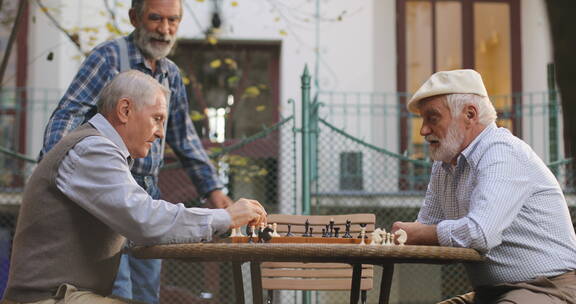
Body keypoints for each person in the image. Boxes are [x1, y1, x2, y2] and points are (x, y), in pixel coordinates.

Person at [2, 70, 267, 304]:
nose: (161, 132)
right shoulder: (93, 150)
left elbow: (143, 221)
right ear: (125, 110)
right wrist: (226, 217)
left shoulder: (99, 149)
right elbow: (145, 218)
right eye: (157, 118)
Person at [39, 0, 232, 303]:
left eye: (173, 21)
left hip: (147, 194)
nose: (165, 30)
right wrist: (52, 170)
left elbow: (185, 139)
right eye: (156, 19)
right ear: (134, 18)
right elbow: (68, 114)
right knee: (118, 290)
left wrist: (214, 191)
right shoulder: (108, 58)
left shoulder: (170, 73)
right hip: (109, 190)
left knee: (145, 295)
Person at [392, 69, 576, 304]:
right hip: (490, 293)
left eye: (432, 118)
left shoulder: (501, 152)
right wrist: (399, 237)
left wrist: (419, 234)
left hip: (548, 288)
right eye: (423, 120)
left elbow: (479, 234)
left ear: (470, 114)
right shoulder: (444, 165)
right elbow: (425, 231)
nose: (423, 130)